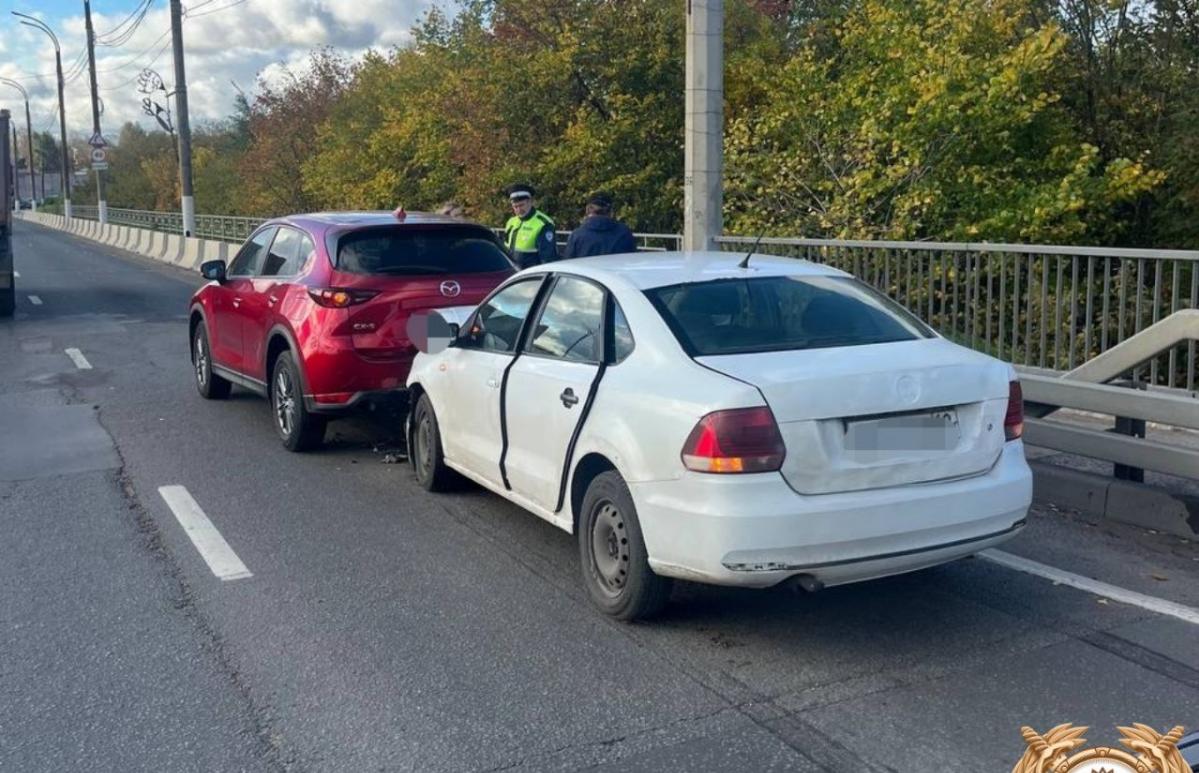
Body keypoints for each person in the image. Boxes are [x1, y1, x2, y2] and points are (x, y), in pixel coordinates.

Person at [563, 192, 637, 259]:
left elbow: (567, 266)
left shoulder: (577, 236)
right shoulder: (624, 233)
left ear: (587, 209)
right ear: (611, 211)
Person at [503, 183, 557, 269]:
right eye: (515, 206)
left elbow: (547, 260)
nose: (519, 210)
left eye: (521, 205)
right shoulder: (511, 222)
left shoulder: (543, 224)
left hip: (531, 277)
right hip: (513, 275)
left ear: (530, 202)